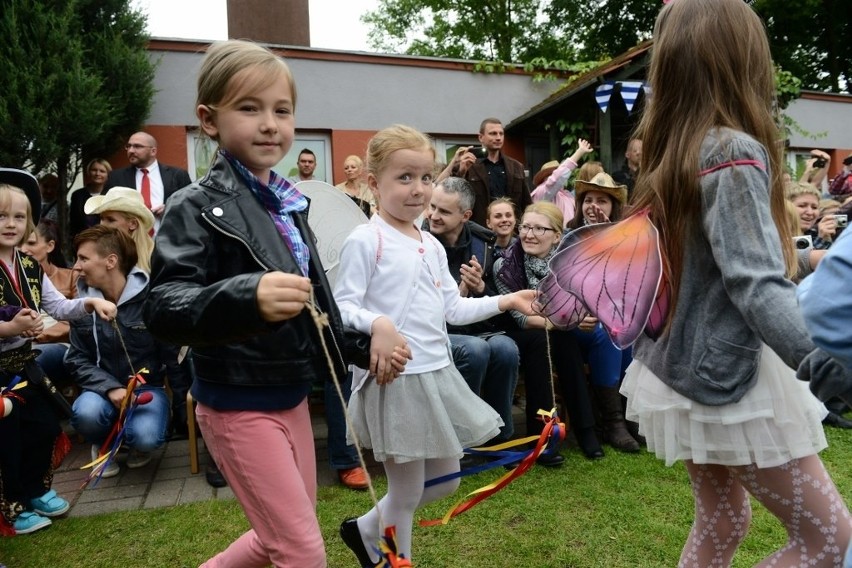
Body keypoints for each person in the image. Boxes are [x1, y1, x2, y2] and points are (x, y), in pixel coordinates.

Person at [619, 1, 852, 565]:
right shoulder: (729, 150)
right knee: (831, 542)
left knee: (722, 521)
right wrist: (828, 366)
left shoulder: (673, 150)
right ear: (741, 57)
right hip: (730, 374)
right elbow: (755, 283)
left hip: (684, 364)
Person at [142, 40, 384, 567]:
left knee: (277, 537)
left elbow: (319, 312)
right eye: (249, 108)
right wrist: (245, 296)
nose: (270, 123)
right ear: (209, 119)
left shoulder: (290, 206)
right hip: (236, 402)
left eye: (282, 110)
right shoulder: (194, 206)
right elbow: (162, 306)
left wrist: (365, 346)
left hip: (290, 394)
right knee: (301, 551)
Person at [333, 124, 537, 566]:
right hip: (397, 379)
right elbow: (342, 307)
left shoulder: (428, 242)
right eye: (404, 178)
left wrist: (506, 298)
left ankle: (365, 528)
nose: (418, 189)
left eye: (425, 178)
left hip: (436, 374)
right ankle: (393, 558)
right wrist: (379, 323)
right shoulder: (366, 240)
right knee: (405, 492)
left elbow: (452, 309)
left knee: (444, 481)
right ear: (373, 183)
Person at [0, 168, 116, 535]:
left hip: (25, 367)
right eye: (1, 215)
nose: (11, 224)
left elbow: (58, 307)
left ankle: (35, 491)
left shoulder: (30, 266)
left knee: (45, 426)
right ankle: (13, 507)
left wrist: (89, 306)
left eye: (19, 216)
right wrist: (10, 329)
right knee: (7, 439)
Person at [494, 202, 604, 460]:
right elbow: (521, 318)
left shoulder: (568, 264)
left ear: (557, 236)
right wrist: (569, 322)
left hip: (558, 329)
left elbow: (583, 300)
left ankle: (586, 430)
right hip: (518, 333)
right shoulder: (505, 266)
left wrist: (585, 316)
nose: (529, 234)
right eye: (526, 227)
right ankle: (541, 436)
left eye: (539, 229)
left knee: (563, 340)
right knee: (543, 338)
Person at [67, 225, 176, 478]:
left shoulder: (150, 298)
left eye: (83, 258)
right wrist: (108, 387)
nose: (76, 266)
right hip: (100, 391)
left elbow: (170, 353)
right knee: (86, 413)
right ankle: (103, 442)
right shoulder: (81, 305)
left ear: (111, 261)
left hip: (146, 390)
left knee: (147, 437)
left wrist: (180, 403)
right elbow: (75, 359)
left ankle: (134, 440)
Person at [426, 176, 520, 446]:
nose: (433, 215)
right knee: (475, 351)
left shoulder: (484, 241)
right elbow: (427, 307)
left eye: (444, 211)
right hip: (437, 331)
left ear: (465, 215)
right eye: (432, 206)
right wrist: (460, 293)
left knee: (506, 348)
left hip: (477, 328)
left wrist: (479, 288)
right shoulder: (420, 241)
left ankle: (499, 437)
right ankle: (461, 438)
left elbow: (494, 301)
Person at [565, 173, 640, 452]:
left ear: (613, 207)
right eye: (588, 200)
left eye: (602, 201)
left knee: (632, 332)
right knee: (609, 333)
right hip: (573, 322)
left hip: (609, 319)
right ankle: (613, 422)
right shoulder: (568, 236)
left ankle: (628, 413)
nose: (593, 206)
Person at [21, 220, 79, 400]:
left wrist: (38, 336)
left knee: (30, 361)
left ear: (50, 246)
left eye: (31, 243)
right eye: (20, 243)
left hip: (58, 344)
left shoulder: (71, 276)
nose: (23, 249)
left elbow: (76, 321)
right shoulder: (13, 278)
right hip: (22, 342)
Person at [449, 118, 533, 226]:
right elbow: (454, 196)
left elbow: (526, 203)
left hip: (511, 231)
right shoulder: (469, 165)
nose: (498, 137)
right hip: (478, 230)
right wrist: (461, 172)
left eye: (501, 134)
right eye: (493, 134)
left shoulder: (516, 166)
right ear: (481, 137)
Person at [104, 131, 192, 234]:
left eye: (137, 146)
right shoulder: (116, 177)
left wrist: (170, 210)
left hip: (170, 240)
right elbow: (105, 210)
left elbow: (190, 206)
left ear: (153, 151)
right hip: (130, 242)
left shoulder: (177, 175)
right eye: (129, 146)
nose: (131, 150)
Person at [83, 187, 155, 273]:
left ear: (133, 224)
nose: (102, 225)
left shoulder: (154, 256)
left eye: (110, 220)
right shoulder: (96, 251)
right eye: (101, 218)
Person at [530, 139, 593, 225]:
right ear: (544, 178)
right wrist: (579, 152)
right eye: (551, 174)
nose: (555, 175)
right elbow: (555, 179)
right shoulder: (541, 192)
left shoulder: (567, 196)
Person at [69, 158, 111, 238]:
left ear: (108, 175)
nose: (97, 173)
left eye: (102, 171)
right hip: (83, 239)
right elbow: (73, 223)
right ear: (88, 172)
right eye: (94, 170)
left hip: (107, 239)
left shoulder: (112, 195)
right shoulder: (77, 195)